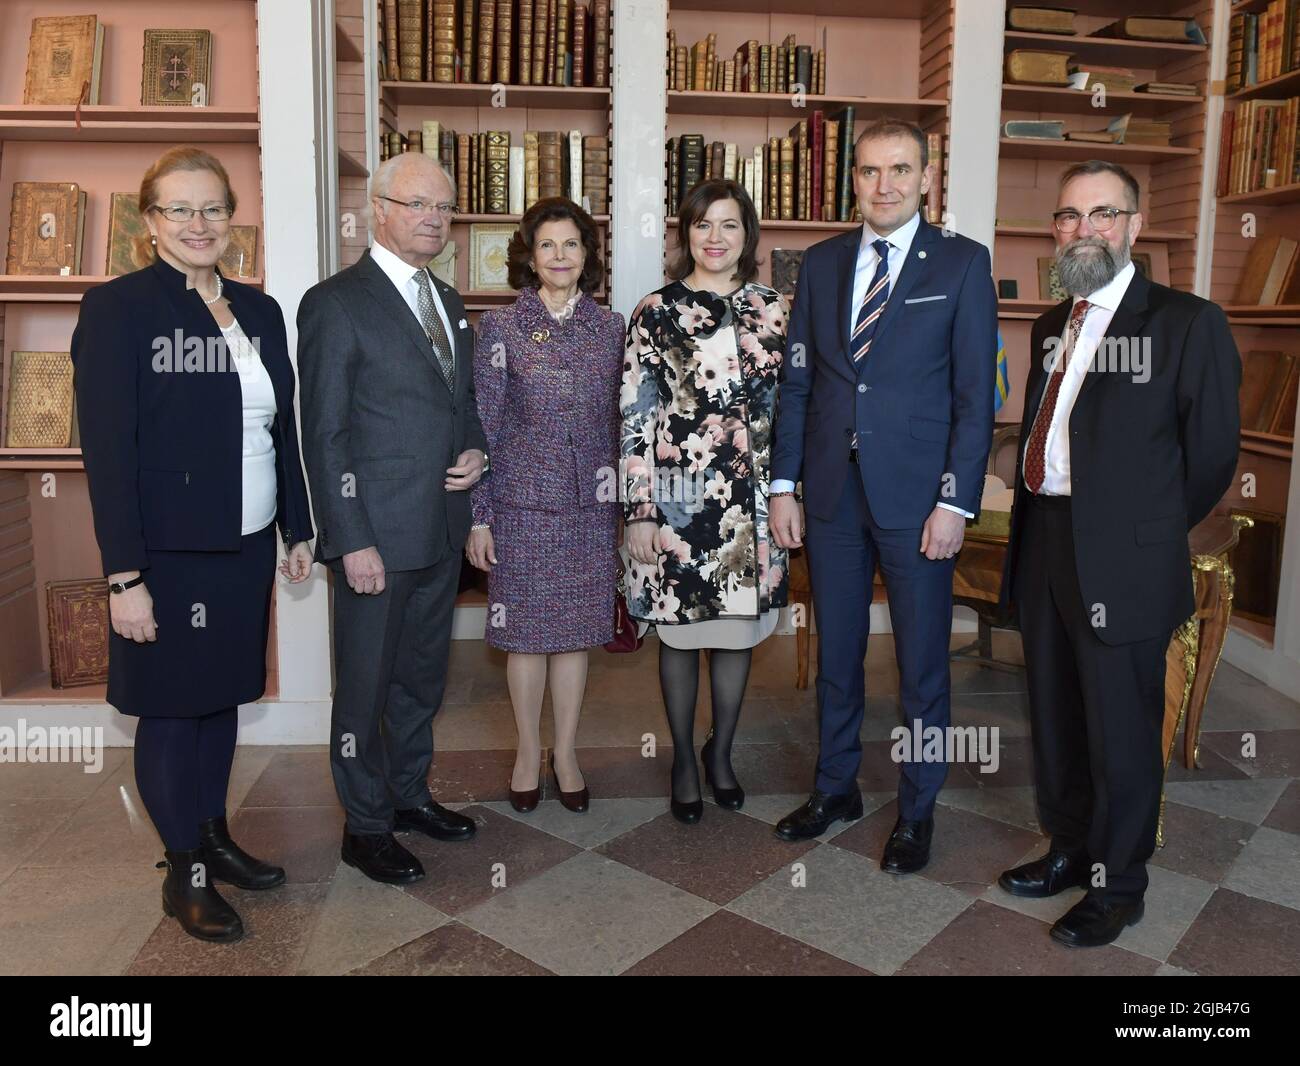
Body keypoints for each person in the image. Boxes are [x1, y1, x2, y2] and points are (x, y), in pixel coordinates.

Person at [71, 146, 315, 943]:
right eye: (180, 210)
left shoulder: (260, 309)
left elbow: (283, 429)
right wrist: (124, 577)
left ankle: (212, 838)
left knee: (220, 700)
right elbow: (107, 453)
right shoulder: (119, 311)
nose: (199, 224)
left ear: (231, 216)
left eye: (213, 208)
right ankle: (184, 872)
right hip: (166, 554)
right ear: (150, 222)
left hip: (244, 541)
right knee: (172, 712)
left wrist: (298, 526)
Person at [997, 160, 1240, 947]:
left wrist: (1144, 531)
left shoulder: (1185, 322)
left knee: (1122, 730)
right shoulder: (1048, 326)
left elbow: (1209, 458)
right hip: (1046, 544)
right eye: (1069, 216)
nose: (1084, 229)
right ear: (1056, 233)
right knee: (1057, 715)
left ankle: (1118, 883)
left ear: (1133, 226)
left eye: (1103, 214)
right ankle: (1069, 850)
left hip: (1126, 558)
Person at [769, 117, 997, 870]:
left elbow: (974, 398)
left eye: (900, 169)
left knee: (922, 664)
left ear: (927, 176)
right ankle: (836, 786)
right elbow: (799, 382)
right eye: (870, 171)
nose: (886, 185)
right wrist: (784, 485)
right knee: (838, 653)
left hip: (919, 501)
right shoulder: (824, 263)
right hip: (832, 495)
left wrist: (956, 503)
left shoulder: (963, 265)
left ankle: (917, 808)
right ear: (854, 180)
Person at [297, 153, 488, 885]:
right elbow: (325, 432)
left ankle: (409, 798)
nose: (435, 218)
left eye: (444, 207)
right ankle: (365, 826)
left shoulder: (448, 299)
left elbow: (460, 405)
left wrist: (476, 454)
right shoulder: (336, 302)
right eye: (418, 205)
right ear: (378, 209)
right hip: (375, 538)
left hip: (441, 531)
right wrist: (350, 540)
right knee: (365, 688)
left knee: (420, 682)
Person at [622, 178, 789, 824]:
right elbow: (635, 415)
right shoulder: (654, 311)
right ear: (683, 233)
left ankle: (722, 753)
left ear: (747, 235)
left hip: (750, 505)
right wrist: (638, 509)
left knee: (737, 636)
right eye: (702, 225)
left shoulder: (772, 310)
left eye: (728, 225)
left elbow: (788, 411)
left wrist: (787, 492)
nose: (714, 238)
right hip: (678, 505)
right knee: (681, 636)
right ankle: (684, 760)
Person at [465, 197, 623, 814]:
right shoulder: (501, 329)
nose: (561, 256)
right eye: (548, 245)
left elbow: (623, 421)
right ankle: (528, 751)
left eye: (572, 244)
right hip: (521, 505)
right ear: (530, 257)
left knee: (576, 638)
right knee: (526, 638)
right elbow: (485, 425)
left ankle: (568, 751)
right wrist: (481, 514)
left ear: (588, 256)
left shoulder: (611, 329)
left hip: (591, 506)